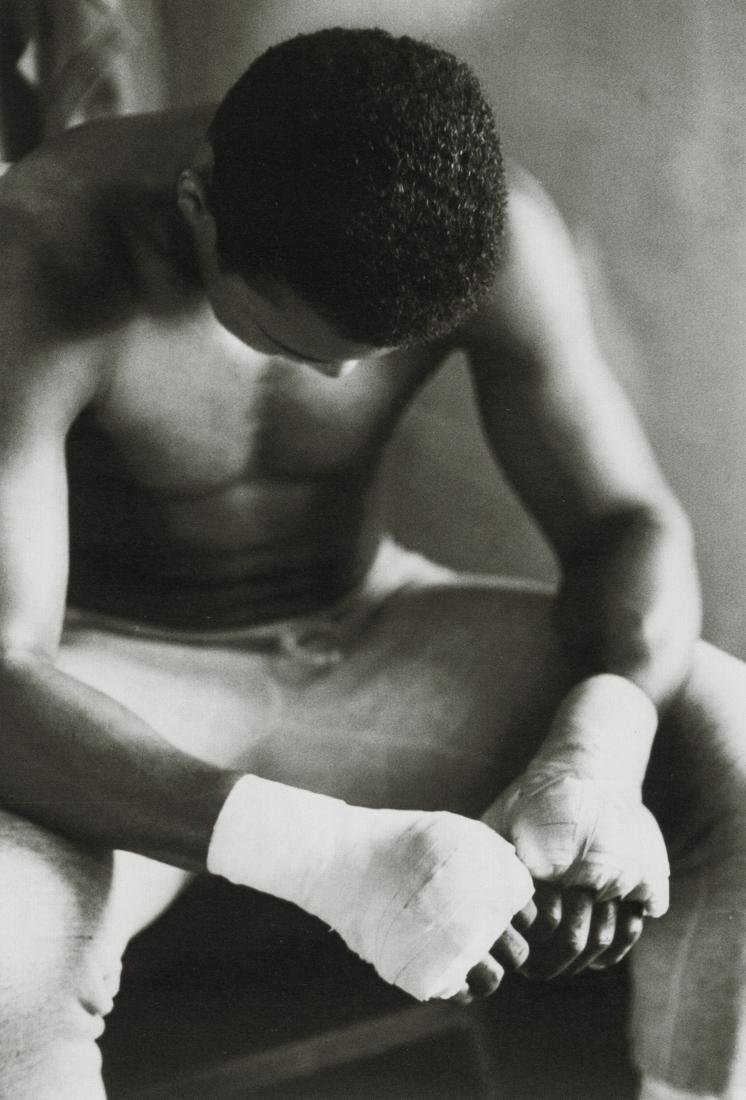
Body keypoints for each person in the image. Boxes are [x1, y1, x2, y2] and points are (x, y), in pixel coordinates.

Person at [0, 25, 742, 1100]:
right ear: (201, 206)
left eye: (375, 349)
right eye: (303, 339)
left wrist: (596, 750)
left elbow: (625, 519)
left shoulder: (490, 229)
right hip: (114, 673)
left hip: (370, 626)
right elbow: (4, 667)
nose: (346, 372)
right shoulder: (37, 247)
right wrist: (322, 853)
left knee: (730, 732)